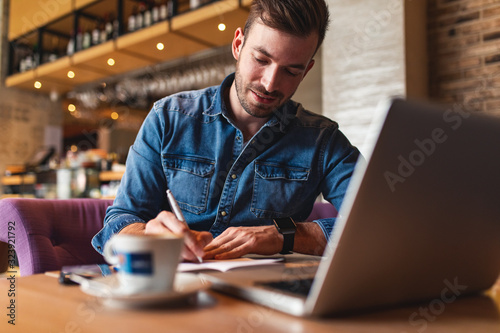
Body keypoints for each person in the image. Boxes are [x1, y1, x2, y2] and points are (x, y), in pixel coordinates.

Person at [92, 0, 360, 262]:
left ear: (306, 71)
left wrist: (284, 235)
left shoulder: (323, 140)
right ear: (237, 45)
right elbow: (121, 221)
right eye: (261, 59)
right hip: (173, 293)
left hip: (269, 298)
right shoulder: (168, 119)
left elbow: (385, 221)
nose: (270, 83)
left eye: (291, 71)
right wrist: (148, 233)